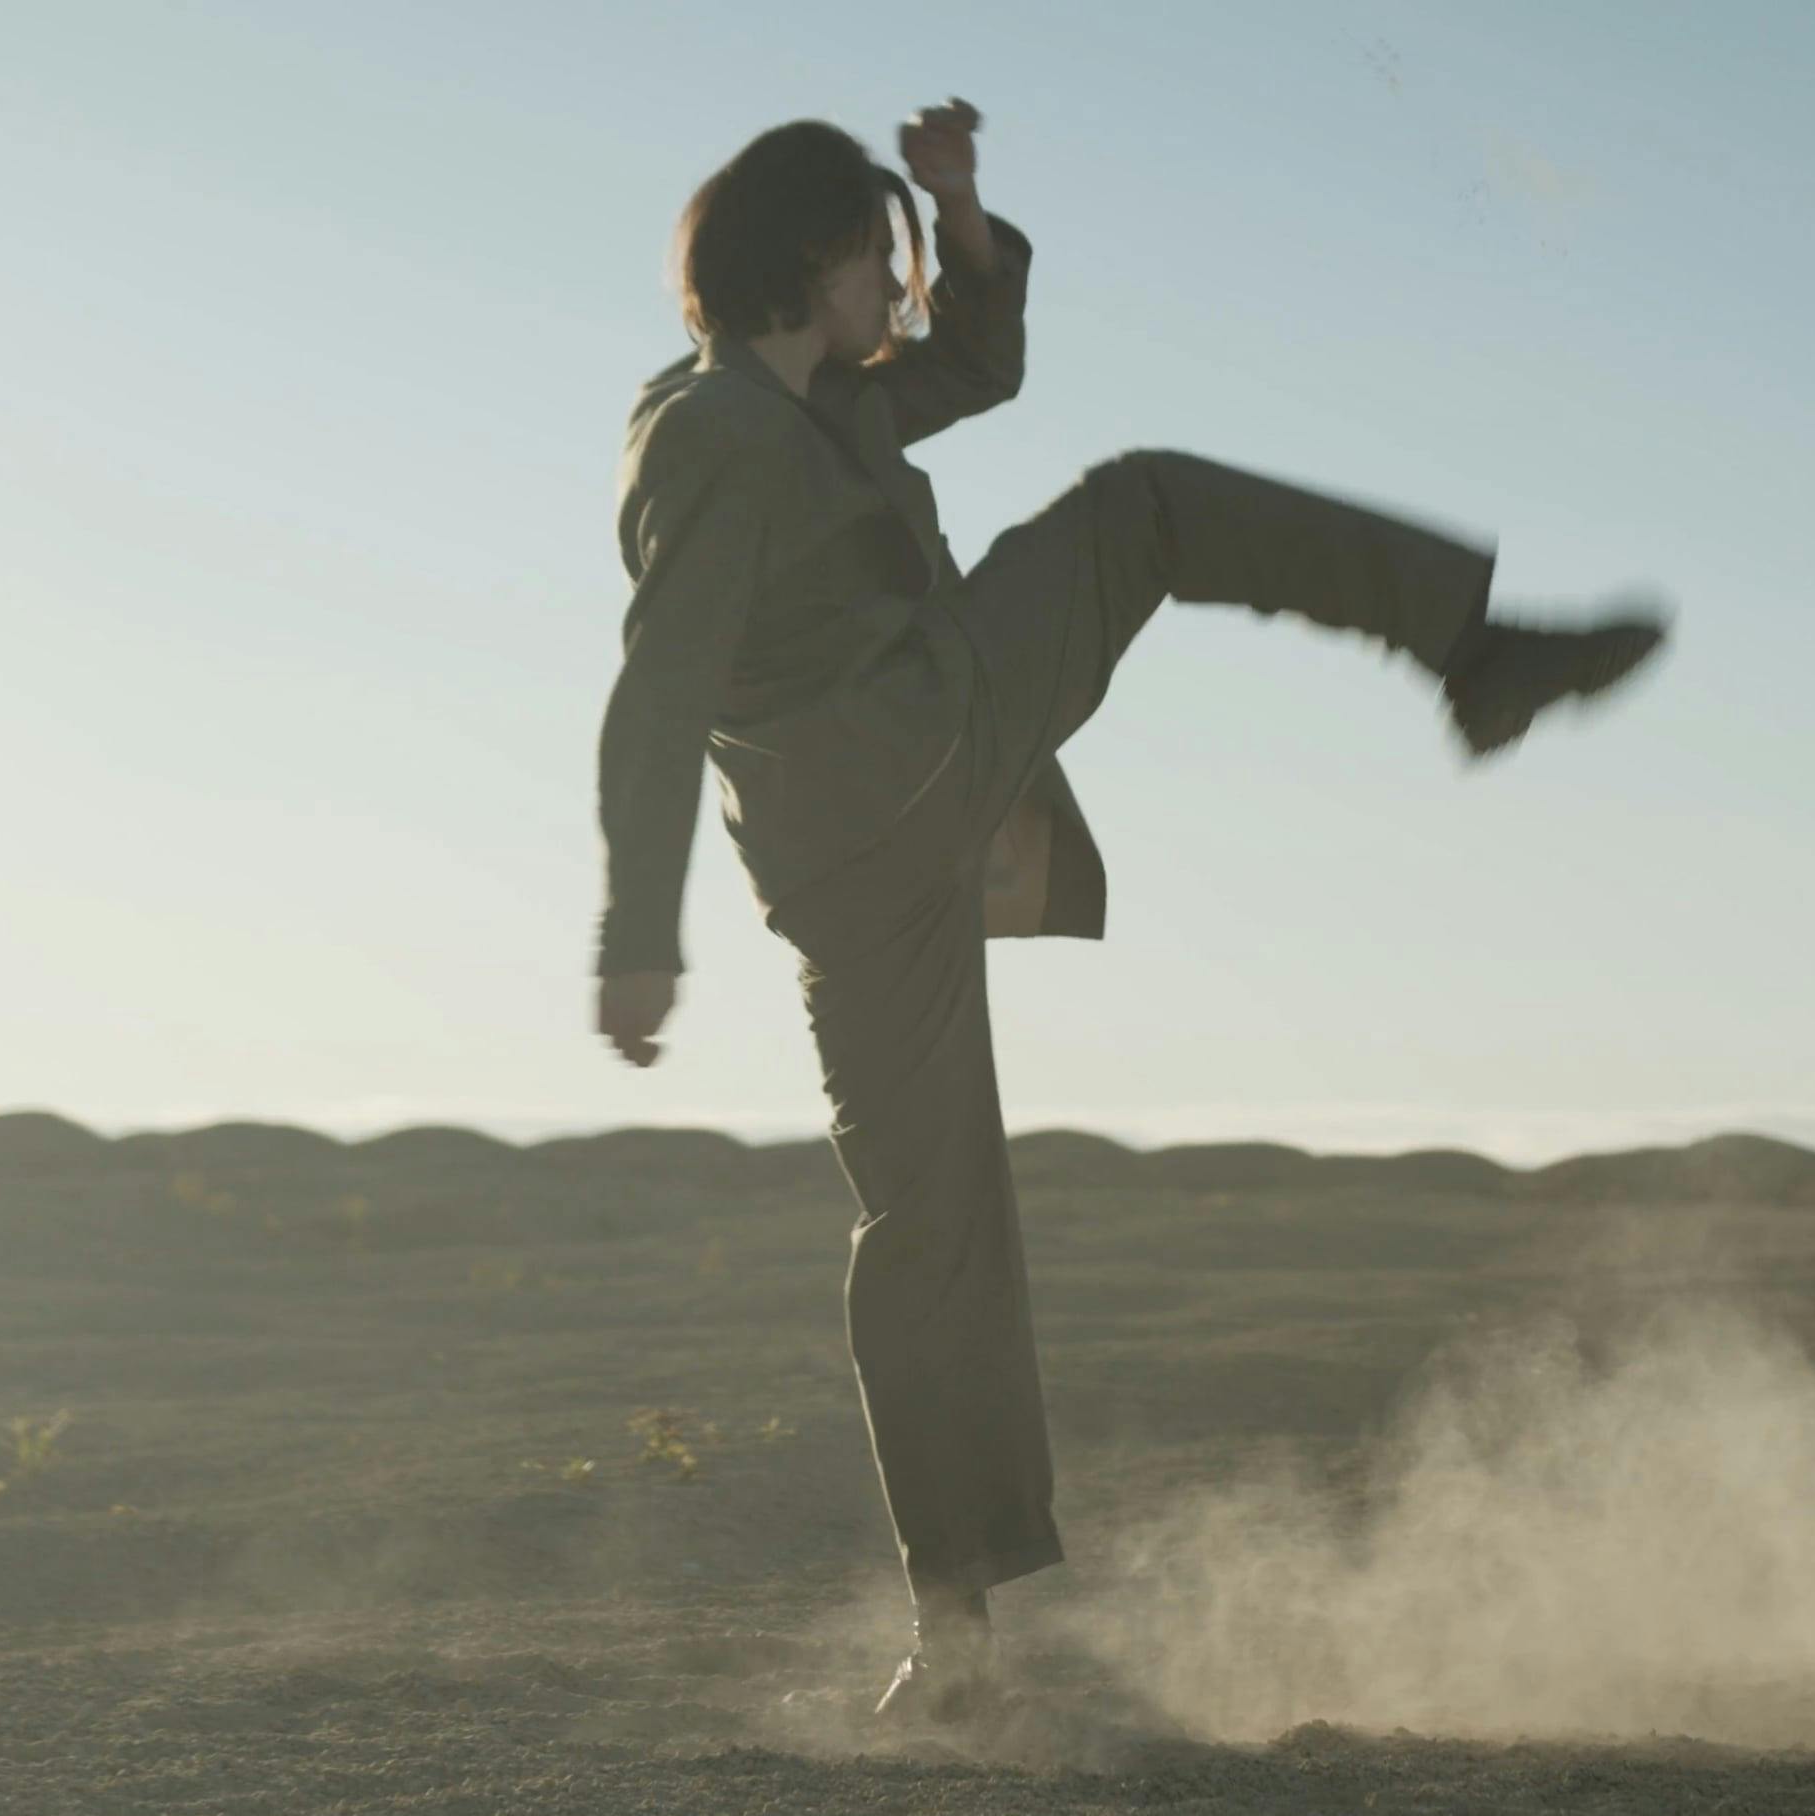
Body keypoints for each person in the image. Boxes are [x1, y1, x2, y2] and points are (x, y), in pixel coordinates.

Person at [589, 101, 1669, 1722]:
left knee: (928, 1224)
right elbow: (660, 688)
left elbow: (985, 365)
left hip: (856, 872)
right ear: (807, 262)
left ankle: (952, 1643)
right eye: (879, 257)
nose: (896, 289)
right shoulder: (711, 436)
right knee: (1148, 506)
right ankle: (1478, 649)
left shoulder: (825, 402)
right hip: (917, 758)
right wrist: (635, 935)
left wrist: (960, 206)